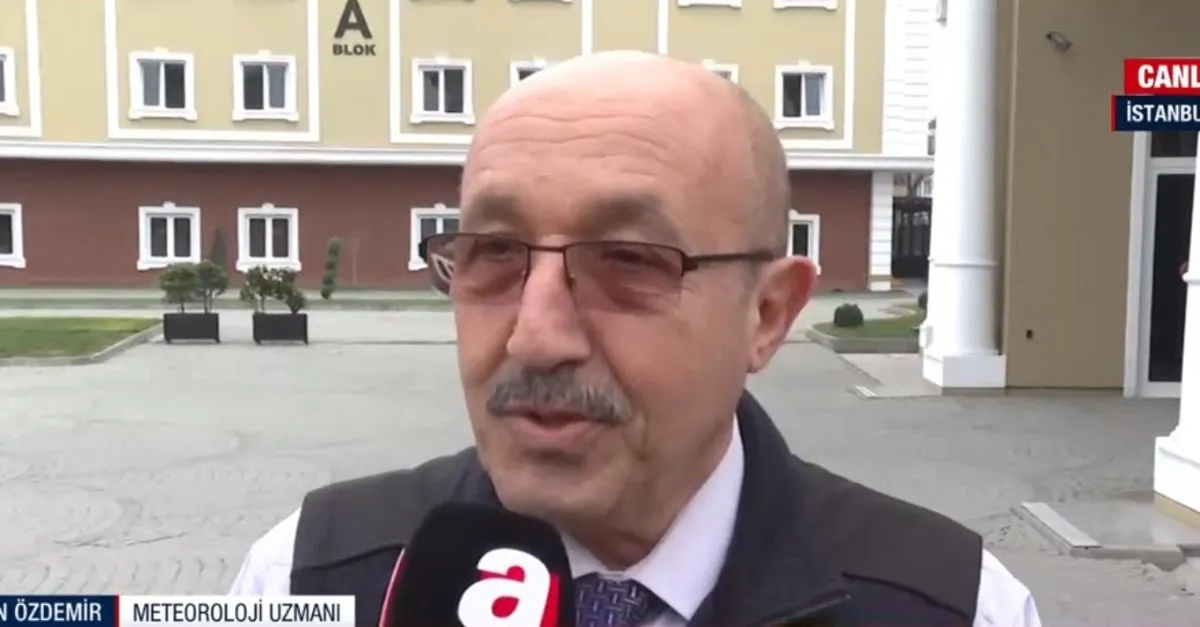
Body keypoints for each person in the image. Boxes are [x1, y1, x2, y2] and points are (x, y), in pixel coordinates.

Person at [228, 51, 1042, 627]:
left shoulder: (957, 606)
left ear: (766, 315)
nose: (535, 336)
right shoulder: (302, 579)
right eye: (495, 253)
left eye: (627, 259)